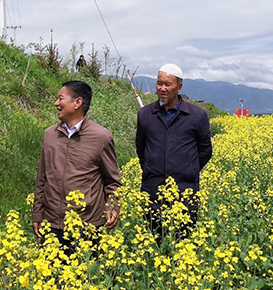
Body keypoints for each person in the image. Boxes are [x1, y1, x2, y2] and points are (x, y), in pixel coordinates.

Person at [32, 80, 121, 250]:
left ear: (77, 102)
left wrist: (113, 206)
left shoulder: (101, 137)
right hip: (51, 224)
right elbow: (41, 178)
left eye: (60, 98)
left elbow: (112, 181)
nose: (56, 103)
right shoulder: (50, 134)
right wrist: (37, 213)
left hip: (86, 226)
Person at [136, 63, 212, 244]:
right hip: (152, 192)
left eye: (167, 84)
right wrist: (153, 169)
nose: (162, 88)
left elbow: (205, 151)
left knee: (184, 244)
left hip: (185, 192)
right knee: (154, 244)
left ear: (179, 86)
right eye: (159, 83)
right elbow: (141, 149)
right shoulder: (145, 114)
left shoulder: (197, 115)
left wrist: (187, 170)